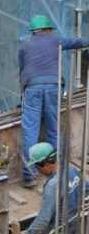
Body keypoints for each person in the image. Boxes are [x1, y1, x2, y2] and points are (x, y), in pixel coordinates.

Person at [19, 14, 89, 188]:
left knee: (30, 131)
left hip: (33, 86)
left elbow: (22, 72)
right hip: (54, 86)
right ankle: (59, 170)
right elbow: (78, 42)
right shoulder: (55, 40)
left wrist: (24, 93)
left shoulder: (24, 46)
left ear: (33, 32)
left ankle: (29, 176)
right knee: (53, 128)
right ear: (48, 30)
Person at [17, 142, 89, 234]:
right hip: (72, 223)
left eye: (37, 166)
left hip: (56, 231)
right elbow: (85, 188)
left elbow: (44, 219)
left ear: (45, 165)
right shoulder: (71, 170)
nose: (37, 170)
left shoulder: (53, 186)